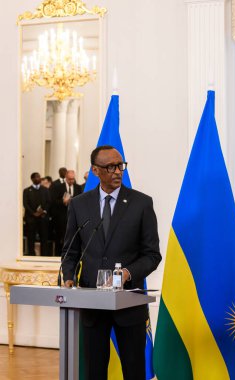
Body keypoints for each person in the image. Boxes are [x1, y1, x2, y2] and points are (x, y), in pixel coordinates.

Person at [62, 145, 161, 380]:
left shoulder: (141, 203)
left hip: (129, 304)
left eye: (121, 166)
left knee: (133, 370)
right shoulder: (79, 204)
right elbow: (70, 251)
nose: (118, 171)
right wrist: (67, 278)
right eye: (110, 167)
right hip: (92, 303)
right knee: (94, 370)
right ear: (96, 170)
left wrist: (128, 272)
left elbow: (152, 254)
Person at [51, 170, 82, 255]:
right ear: (66, 178)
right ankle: (58, 255)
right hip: (61, 216)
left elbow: (82, 201)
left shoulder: (78, 187)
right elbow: (53, 201)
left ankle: (71, 255)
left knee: (73, 238)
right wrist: (63, 202)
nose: (71, 181)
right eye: (69, 179)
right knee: (60, 237)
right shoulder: (58, 187)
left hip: (74, 217)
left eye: (73, 179)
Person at [23, 172, 50, 256]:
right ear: (32, 179)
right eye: (36, 177)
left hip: (42, 217)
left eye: (39, 177)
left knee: (44, 238)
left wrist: (43, 211)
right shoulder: (27, 190)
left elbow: (49, 202)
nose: (38, 178)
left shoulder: (45, 189)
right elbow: (25, 203)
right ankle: (31, 254)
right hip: (31, 218)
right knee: (31, 238)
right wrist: (33, 213)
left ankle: (44, 255)